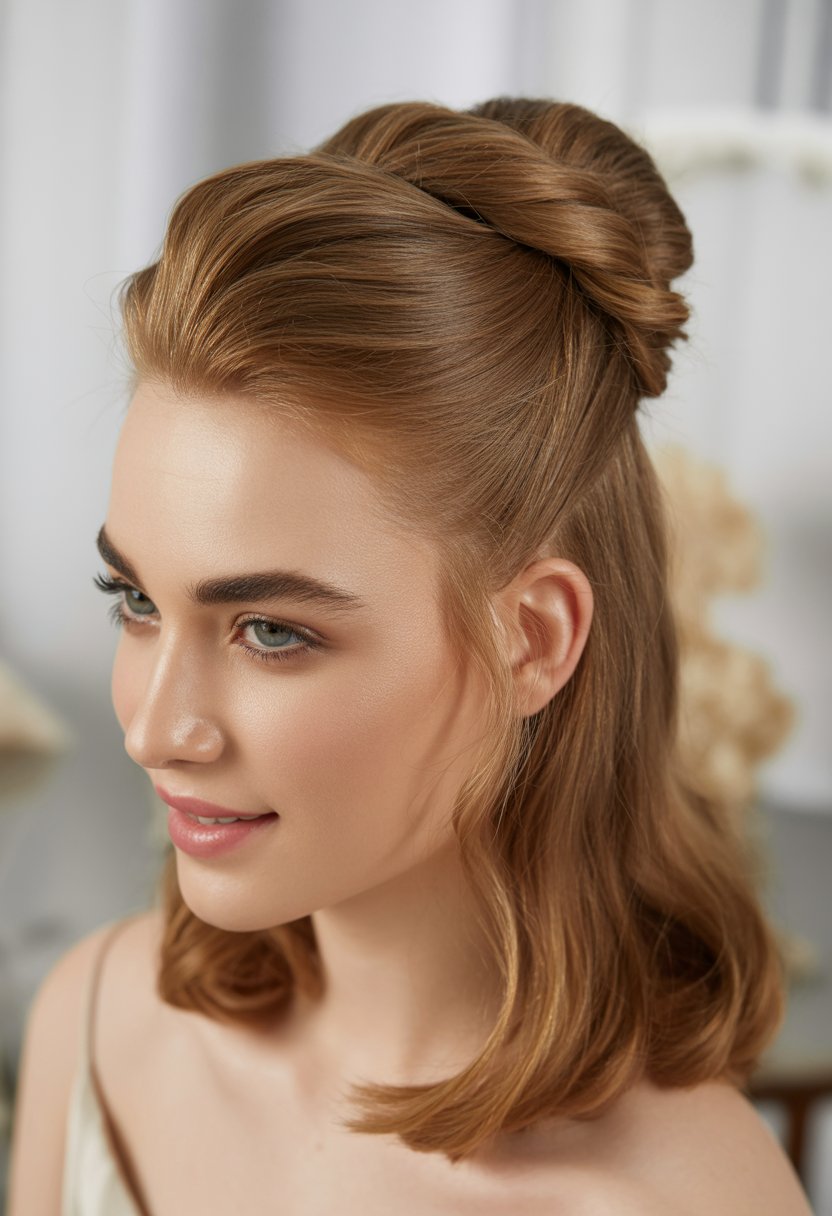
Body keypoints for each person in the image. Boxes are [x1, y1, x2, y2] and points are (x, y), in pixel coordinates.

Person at [8, 97, 813, 1215]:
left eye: (271, 631)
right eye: (135, 600)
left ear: (531, 639)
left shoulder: (672, 1200)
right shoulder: (96, 1020)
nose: (153, 728)